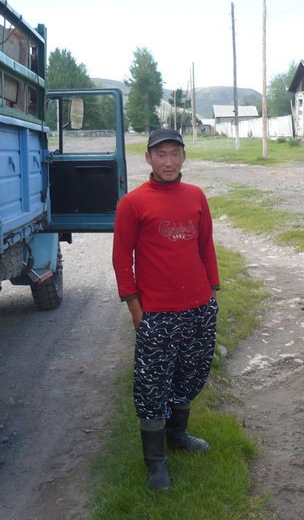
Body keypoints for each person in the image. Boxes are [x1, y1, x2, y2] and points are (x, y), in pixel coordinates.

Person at [112, 129, 220, 491]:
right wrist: (134, 307)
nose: (168, 161)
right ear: (148, 159)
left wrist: (213, 293)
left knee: (192, 374)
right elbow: (121, 258)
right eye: (161, 155)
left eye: (175, 154)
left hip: (199, 306)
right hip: (156, 312)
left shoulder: (196, 196)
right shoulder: (133, 203)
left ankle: (178, 435)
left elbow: (206, 245)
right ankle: (156, 463)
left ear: (184, 157)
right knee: (152, 385)